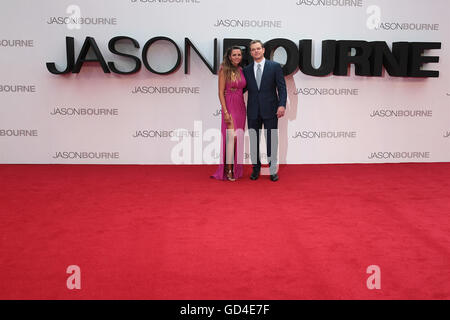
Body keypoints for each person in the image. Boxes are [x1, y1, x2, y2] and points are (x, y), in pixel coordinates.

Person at [243, 40, 287, 182]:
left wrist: (282, 105)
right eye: (253, 49)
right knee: (254, 141)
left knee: (271, 141)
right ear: (250, 52)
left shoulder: (274, 67)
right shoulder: (247, 70)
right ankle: (256, 169)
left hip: (271, 110)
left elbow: (282, 88)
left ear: (263, 50)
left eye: (258, 48)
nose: (256, 51)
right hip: (253, 111)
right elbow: (241, 89)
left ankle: (272, 170)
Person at [211, 46, 247, 181]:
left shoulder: (241, 70)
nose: (237, 57)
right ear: (229, 56)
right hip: (229, 105)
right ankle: (229, 168)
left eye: (239, 55)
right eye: (234, 55)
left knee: (237, 136)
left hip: (240, 106)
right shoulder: (223, 70)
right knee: (231, 137)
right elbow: (220, 92)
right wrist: (225, 111)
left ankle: (233, 167)